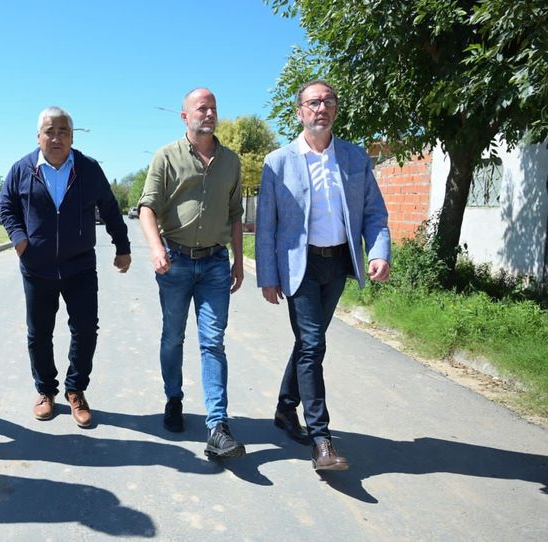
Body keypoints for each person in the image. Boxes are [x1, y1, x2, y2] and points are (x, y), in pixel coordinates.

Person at [255, 79, 391, 471]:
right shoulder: (278, 162)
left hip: (337, 264)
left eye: (329, 101)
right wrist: (268, 274)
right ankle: (321, 439)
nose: (321, 108)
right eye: (313, 102)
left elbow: (374, 213)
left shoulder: (354, 158)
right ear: (299, 111)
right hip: (300, 267)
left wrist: (379, 251)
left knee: (308, 342)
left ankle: (285, 409)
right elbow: (266, 226)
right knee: (313, 345)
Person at [0, 106, 131, 428]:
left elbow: (111, 209)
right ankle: (45, 391)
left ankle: (76, 390)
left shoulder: (88, 169)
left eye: (64, 132)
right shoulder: (22, 169)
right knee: (39, 333)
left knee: (85, 330)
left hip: (80, 267)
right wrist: (19, 239)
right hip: (37, 268)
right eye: (50, 131)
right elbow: (6, 205)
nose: (56, 137)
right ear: (39, 136)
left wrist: (122, 247)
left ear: (72, 136)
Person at [138, 88, 246, 460]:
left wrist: (239, 260)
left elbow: (235, 215)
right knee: (173, 337)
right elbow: (147, 207)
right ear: (185, 116)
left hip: (215, 264)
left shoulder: (230, 162)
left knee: (213, 342)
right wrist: (155, 248)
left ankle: (217, 425)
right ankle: (173, 398)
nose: (210, 112)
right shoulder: (166, 157)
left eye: (214, 107)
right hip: (175, 261)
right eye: (202, 107)